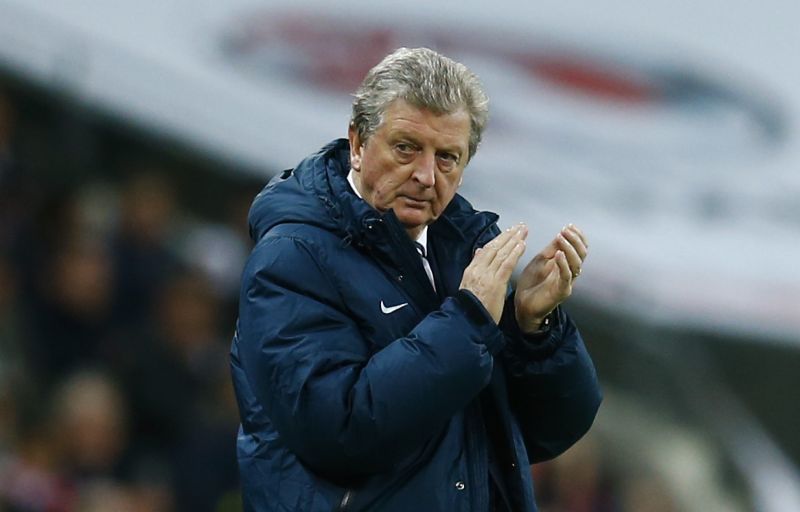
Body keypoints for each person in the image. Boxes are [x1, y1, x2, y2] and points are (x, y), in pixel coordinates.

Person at [230, 47, 602, 512]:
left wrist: (534, 329)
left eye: (447, 157)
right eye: (406, 147)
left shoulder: (466, 252)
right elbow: (338, 432)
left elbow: (547, 433)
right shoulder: (291, 257)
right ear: (358, 143)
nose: (426, 176)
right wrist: (466, 322)